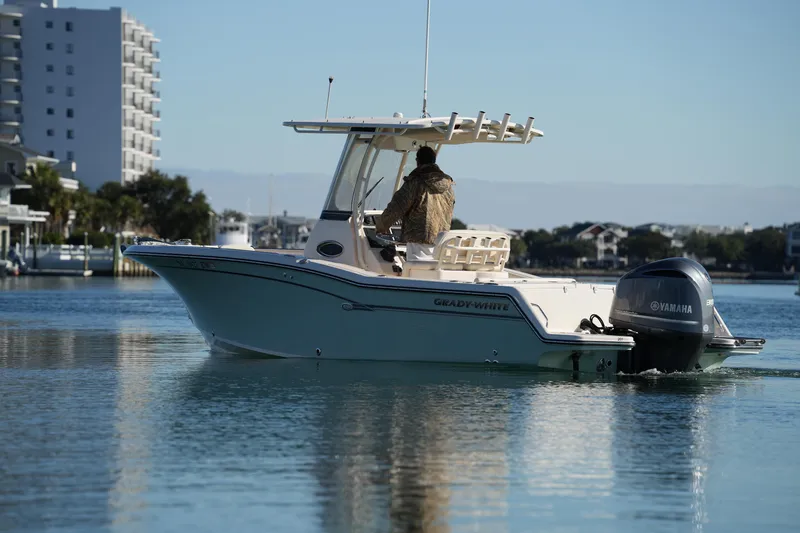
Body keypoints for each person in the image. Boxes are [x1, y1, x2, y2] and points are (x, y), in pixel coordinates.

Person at [375, 145, 455, 261]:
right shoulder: (448, 186)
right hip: (441, 242)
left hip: (419, 241)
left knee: (416, 271)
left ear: (418, 161)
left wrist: (381, 226)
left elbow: (396, 208)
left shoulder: (415, 183)